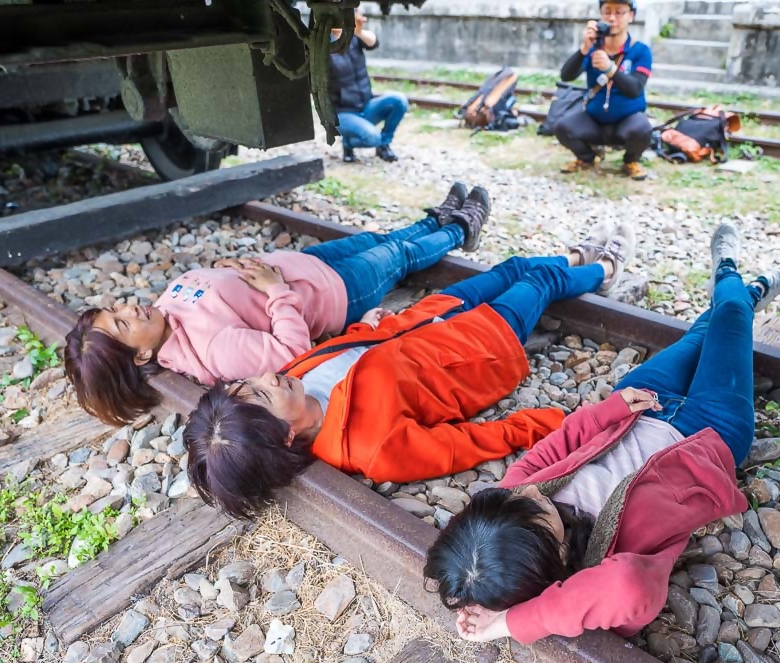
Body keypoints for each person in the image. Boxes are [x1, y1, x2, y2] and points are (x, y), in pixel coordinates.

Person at [424, 223, 780, 644]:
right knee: (732, 316)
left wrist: (607, 412)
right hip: (711, 431)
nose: (528, 491)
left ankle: (735, 289)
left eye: (511, 497)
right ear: (557, 554)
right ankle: (739, 279)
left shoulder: (511, 507)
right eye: (536, 509)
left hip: (641, 402)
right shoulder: (600, 566)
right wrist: (507, 623)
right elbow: (630, 587)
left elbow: (551, 449)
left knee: (705, 332)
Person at [183, 222, 638, 520]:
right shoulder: (373, 449)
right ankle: (604, 267)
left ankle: (578, 259)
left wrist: (370, 325)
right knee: (538, 282)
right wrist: (563, 423)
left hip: (433, 313)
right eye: (262, 394)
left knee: (514, 268)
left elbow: (350, 351)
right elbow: (474, 441)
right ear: (284, 437)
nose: (266, 377)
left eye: (248, 383)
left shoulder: (292, 381)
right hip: (483, 346)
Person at [64, 183, 488, 426]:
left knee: (383, 241)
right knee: (402, 257)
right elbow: (293, 354)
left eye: (115, 310)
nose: (129, 309)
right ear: (140, 354)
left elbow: (218, 293)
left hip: (307, 266)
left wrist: (228, 271)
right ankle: (460, 230)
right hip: (335, 292)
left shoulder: (163, 314)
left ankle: (436, 219)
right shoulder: (214, 349)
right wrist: (275, 291)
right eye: (121, 325)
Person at [556, 0, 654, 180]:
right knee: (563, 127)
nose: (612, 18)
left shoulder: (640, 51)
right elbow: (566, 76)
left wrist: (611, 69)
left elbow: (635, 89)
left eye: (619, 12)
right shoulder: (594, 49)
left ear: (631, 16)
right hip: (594, 119)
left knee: (643, 129)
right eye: (607, 11)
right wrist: (584, 49)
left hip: (626, 121)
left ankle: (630, 161)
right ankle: (587, 158)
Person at [329, 10, 407, 164]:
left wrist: (358, 31)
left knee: (399, 100)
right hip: (341, 114)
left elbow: (373, 42)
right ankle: (348, 143)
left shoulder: (353, 37)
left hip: (365, 105)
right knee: (372, 137)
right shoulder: (321, 46)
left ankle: (383, 145)